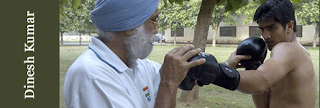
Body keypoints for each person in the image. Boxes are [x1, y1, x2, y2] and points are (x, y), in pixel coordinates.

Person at [63, 0, 205, 108]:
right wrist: (169, 83)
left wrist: (223, 69)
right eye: (153, 21)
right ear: (130, 26)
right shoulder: (92, 76)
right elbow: (168, 79)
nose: (156, 30)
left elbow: (178, 72)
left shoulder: (134, 64)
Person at [225, 0, 316, 107]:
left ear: (289, 26)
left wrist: (221, 70)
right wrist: (252, 67)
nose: (265, 35)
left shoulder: (287, 49)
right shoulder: (298, 52)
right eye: (262, 29)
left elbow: (260, 81)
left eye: (271, 28)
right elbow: (264, 104)